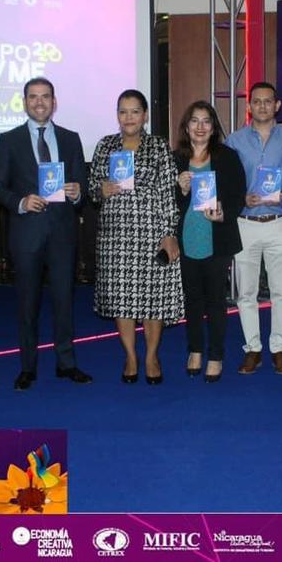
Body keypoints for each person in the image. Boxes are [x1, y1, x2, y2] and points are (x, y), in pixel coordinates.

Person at [0, 77, 91, 391]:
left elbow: (82, 185)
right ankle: (28, 367)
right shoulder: (8, 140)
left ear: (54, 102)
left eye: (45, 96)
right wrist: (21, 202)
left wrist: (77, 192)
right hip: (26, 234)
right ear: (25, 102)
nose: (39, 102)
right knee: (27, 303)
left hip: (62, 233)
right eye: (33, 97)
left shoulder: (71, 138)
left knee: (64, 301)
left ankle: (67, 363)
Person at [88, 89, 183, 384]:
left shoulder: (158, 146)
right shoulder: (105, 145)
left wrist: (169, 232)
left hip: (152, 233)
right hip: (115, 237)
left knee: (152, 299)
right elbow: (92, 189)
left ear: (145, 116)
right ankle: (130, 356)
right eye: (123, 111)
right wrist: (100, 190)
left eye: (134, 111)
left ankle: (151, 356)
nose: (128, 117)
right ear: (117, 115)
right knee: (122, 299)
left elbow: (168, 191)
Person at [226, 81, 282, 375]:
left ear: (277, 105)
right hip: (245, 222)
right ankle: (252, 349)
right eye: (256, 101)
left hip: (279, 224)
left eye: (267, 101)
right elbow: (227, 183)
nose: (262, 106)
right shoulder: (234, 140)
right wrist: (240, 199)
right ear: (249, 106)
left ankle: (279, 349)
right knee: (245, 293)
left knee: (280, 292)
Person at [175, 101, 246, 383]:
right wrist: (181, 190)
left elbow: (238, 195)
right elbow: (168, 203)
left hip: (217, 237)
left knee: (216, 300)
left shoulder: (227, 157)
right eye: (195, 121)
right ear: (186, 126)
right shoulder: (176, 159)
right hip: (187, 238)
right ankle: (194, 350)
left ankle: (215, 355)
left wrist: (224, 214)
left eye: (206, 121)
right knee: (192, 299)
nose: (200, 127)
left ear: (214, 127)